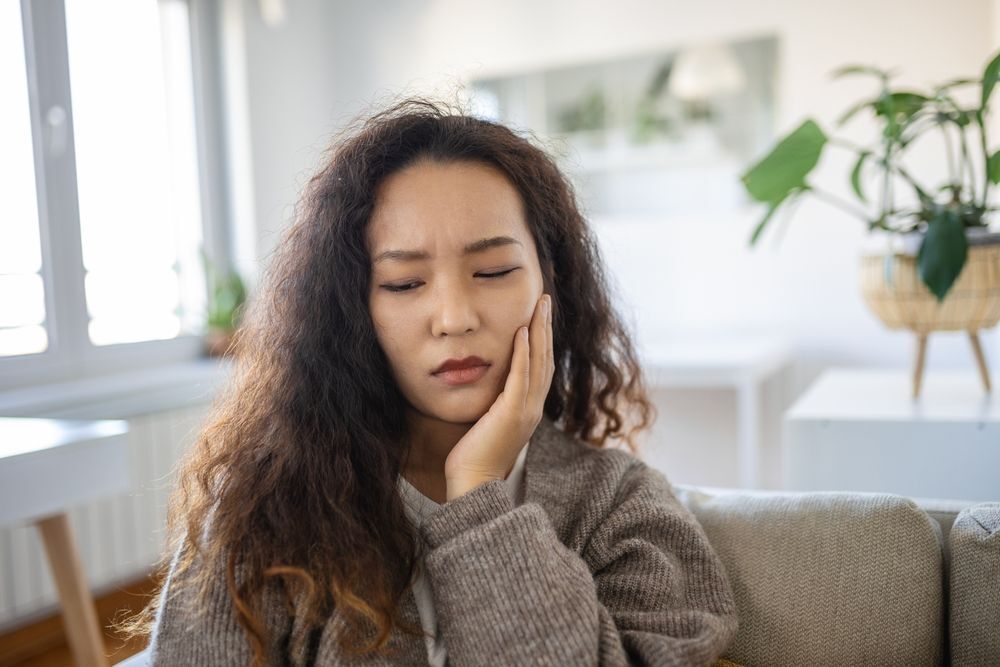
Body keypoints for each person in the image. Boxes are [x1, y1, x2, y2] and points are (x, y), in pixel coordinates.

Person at [119, 98, 739, 666]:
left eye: (493, 271)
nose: (454, 318)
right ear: (349, 311)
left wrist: (476, 496)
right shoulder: (264, 507)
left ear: (549, 284)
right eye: (404, 284)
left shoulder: (621, 506)